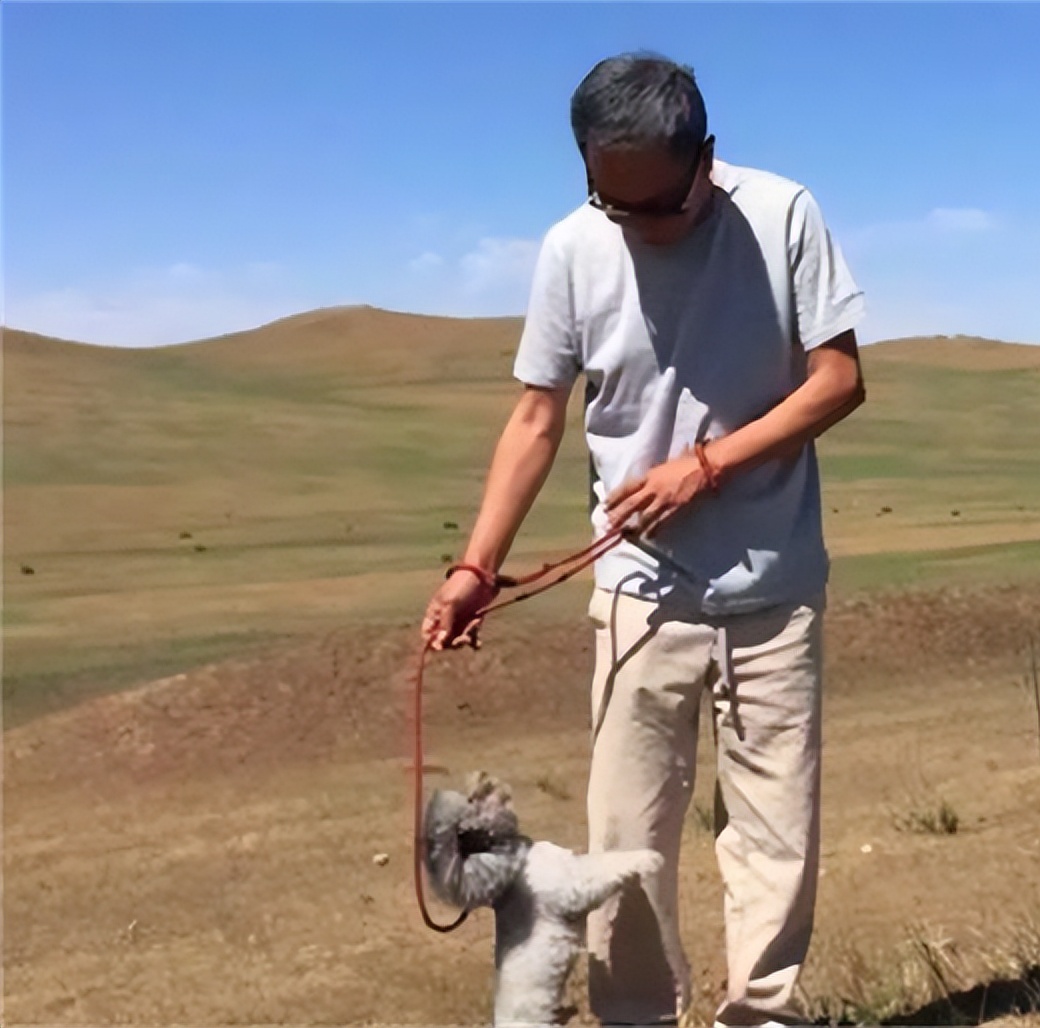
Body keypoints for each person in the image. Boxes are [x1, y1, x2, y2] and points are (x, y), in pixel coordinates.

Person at [422, 52, 866, 1026]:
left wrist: (705, 466)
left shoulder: (784, 214)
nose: (631, 225)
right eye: (607, 200)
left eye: (655, 206)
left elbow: (836, 381)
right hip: (634, 595)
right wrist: (474, 567)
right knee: (622, 847)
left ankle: (762, 1017)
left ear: (704, 158)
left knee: (772, 839)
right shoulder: (571, 247)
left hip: (772, 592)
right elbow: (536, 417)